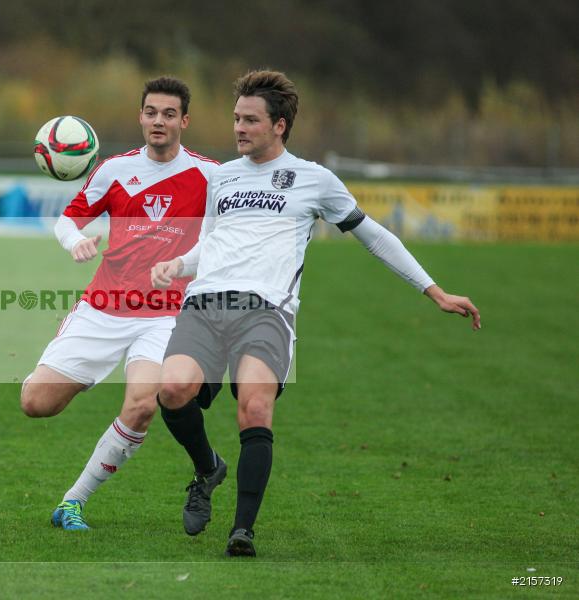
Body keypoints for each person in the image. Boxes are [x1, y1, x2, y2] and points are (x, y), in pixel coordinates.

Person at [151, 70, 481, 557]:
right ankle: (207, 469)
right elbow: (212, 243)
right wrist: (178, 264)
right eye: (236, 118)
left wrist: (434, 291)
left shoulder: (315, 179)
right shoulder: (221, 176)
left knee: (254, 408)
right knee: (172, 389)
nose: (238, 127)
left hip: (267, 312)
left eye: (250, 120)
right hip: (206, 304)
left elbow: (374, 236)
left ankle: (242, 530)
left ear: (279, 125)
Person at [20, 77, 219, 530]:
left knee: (142, 405)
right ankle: (64, 351)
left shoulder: (211, 176)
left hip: (166, 315)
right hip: (103, 306)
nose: (158, 121)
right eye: (151, 112)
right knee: (35, 402)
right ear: (140, 117)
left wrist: (185, 266)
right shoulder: (114, 170)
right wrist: (75, 243)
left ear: (184, 121)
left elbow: (220, 239)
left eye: (169, 114)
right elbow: (68, 221)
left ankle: (72, 502)